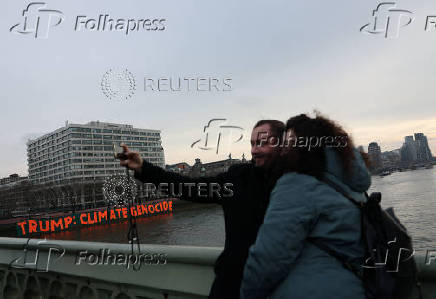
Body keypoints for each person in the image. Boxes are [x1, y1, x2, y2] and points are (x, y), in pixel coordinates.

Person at [119, 120, 285, 299]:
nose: (254, 150)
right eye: (252, 143)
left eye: (263, 143)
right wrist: (144, 168)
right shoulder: (237, 180)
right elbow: (186, 187)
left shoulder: (298, 185)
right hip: (232, 286)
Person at [240, 113, 371, 299]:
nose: (283, 149)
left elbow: (267, 260)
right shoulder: (349, 184)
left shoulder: (296, 185)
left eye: (288, 142)